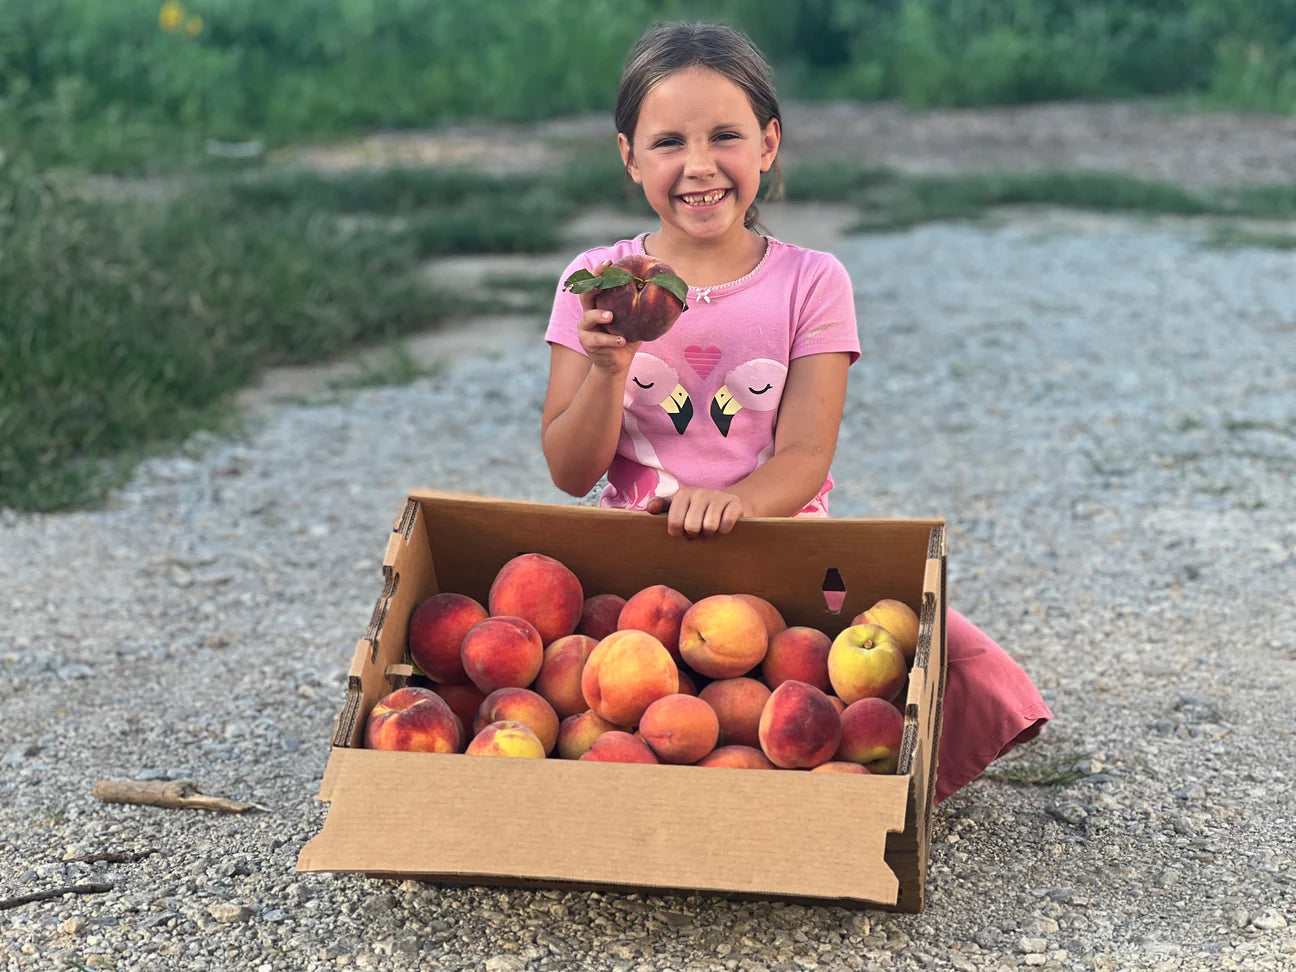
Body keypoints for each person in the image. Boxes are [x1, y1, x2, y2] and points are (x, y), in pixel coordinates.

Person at [541, 21, 1051, 801]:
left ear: (768, 144)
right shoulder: (595, 280)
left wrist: (735, 505)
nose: (699, 165)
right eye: (669, 142)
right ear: (629, 156)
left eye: (725, 136)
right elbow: (570, 472)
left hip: (779, 555)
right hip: (640, 571)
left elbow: (807, 454)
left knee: (891, 661)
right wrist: (610, 371)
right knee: (606, 701)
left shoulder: (812, 282)